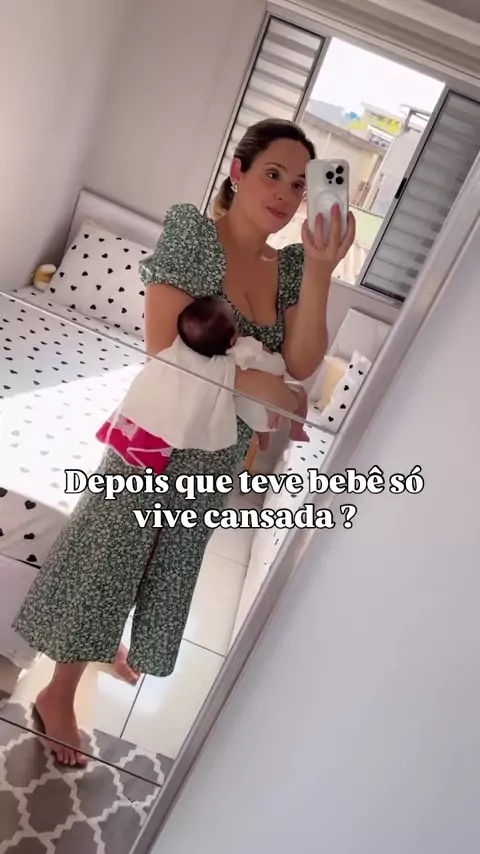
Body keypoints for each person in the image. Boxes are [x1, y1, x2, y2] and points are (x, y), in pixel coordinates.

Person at [13, 117, 355, 766]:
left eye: (299, 185)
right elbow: (163, 344)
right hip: (155, 435)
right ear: (239, 172)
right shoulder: (193, 235)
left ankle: (100, 642)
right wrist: (261, 384)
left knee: (163, 562)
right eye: (272, 174)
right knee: (109, 555)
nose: (285, 194)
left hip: (218, 449)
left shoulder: (288, 269)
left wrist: (319, 271)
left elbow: (304, 361)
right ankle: (58, 693)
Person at [95, 295, 310, 472]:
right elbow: (277, 367)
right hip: (269, 412)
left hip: (251, 414)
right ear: (233, 338)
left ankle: (263, 438)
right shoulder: (245, 350)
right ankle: (296, 430)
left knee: (248, 405)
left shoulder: (195, 359)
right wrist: (271, 359)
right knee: (299, 391)